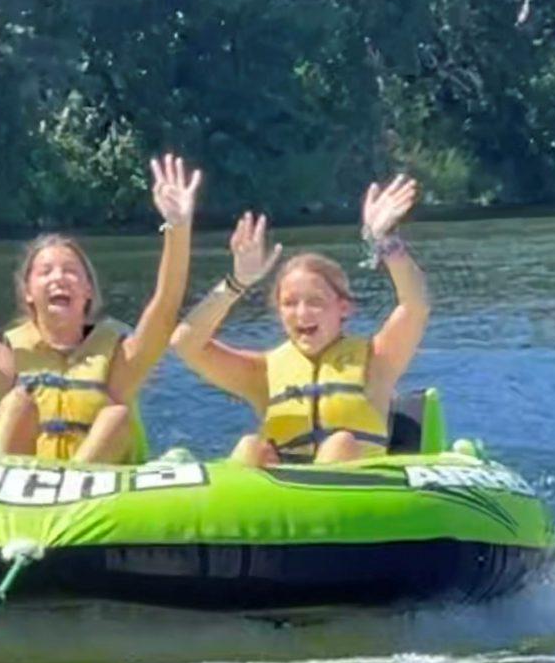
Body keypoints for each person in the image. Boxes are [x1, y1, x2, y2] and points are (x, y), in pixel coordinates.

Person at [0, 128, 201, 463]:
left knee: (115, 416)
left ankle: (75, 485)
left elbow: (166, 306)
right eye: (45, 272)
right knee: (19, 403)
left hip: (93, 498)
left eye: (71, 271)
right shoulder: (4, 363)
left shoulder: (118, 363)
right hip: (10, 499)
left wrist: (178, 227)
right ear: (28, 293)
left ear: (88, 291)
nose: (59, 278)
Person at [169, 176, 429, 465]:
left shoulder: (377, 361)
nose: (302, 313)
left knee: (341, 444)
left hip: (356, 493)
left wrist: (386, 242)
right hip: (282, 498)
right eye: (289, 303)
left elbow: (415, 306)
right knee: (250, 447)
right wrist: (237, 283)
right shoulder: (263, 372)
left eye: (316, 302)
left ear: (343, 308)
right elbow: (185, 343)